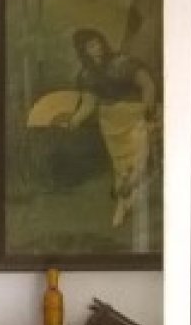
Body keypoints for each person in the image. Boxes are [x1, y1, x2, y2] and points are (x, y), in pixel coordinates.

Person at [50, 27, 160, 228]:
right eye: (90, 46)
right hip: (110, 123)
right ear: (83, 51)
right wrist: (73, 121)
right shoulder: (87, 75)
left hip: (135, 117)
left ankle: (130, 194)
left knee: (140, 162)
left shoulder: (123, 63)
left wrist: (148, 113)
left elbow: (148, 86)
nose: (96, 47)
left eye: (97, 42)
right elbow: (88, 104)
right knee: (120, 168)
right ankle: (122, 206)